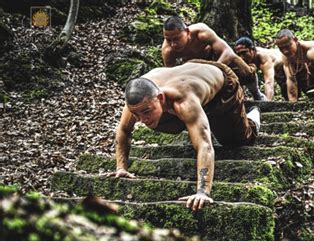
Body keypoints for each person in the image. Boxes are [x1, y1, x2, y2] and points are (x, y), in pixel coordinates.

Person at [111, 60, 261, 211]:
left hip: (221, 84)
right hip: (190, 72)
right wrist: (121, 168)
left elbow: (204, 145)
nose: (142, 120)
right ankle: (195, 124)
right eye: (136, 114)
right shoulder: (138, 100)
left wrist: (202, 191)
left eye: (146, 112)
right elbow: (124, 130)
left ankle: (254, 114)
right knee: (160, 121)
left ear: (161, 98)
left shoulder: (184, 101)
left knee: (237, 141)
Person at [161, 16, 266, 101]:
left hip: (218, 59)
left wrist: (212, 70)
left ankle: (256, 93)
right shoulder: (168, 51)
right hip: (194, 69)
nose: (173, 44)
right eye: (168, 40)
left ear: (187, 32)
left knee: (244, 71)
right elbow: (172, 78)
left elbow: (227, 52)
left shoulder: (201, 32)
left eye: (177, 39)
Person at [234, 36, 288, 101]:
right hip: (277, 71)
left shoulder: (263, 56)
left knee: (288, 92)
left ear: (252, 50)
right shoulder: (241, 59)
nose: (241, 57)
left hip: (285, 65)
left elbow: (269, 81)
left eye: (244, 53)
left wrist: (268, 104)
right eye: (239, 54)